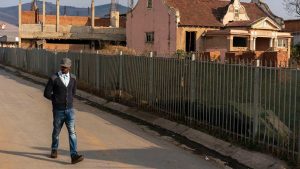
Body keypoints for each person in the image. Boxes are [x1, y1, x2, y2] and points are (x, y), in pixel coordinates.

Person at [44, 58, 84, 164]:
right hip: (58, 110)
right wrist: (55, 99)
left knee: (72, 132)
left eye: (65, 67)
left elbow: (73, 92)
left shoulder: (73, 78)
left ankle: (74, 155)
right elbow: (46, 93)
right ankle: (54, 149)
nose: (63, 68)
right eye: (62, 66)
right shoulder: (54, 78)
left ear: (69, 67)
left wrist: (69, 101)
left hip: (70, 110)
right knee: (56, 131)